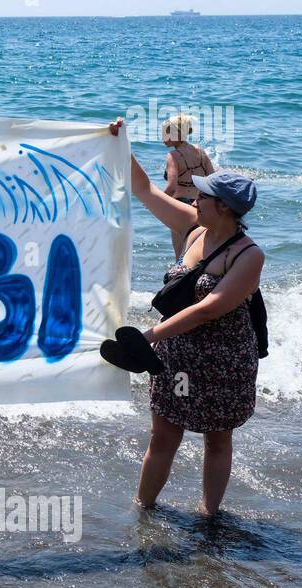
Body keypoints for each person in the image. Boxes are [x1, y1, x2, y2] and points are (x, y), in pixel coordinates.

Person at [110, 117, 264, 517]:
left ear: (226, 209)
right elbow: (142, 189)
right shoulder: (192, 228)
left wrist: (147, 336)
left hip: (223, 360)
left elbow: (208, 309)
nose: (194, 198)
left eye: (204, 196)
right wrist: (118, 143)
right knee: (162, 437)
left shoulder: (248, 255)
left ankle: (210, 516)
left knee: (217, 440)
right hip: (176, 355)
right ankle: (143, 511)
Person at [159, 113, 216, 258]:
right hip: (200, 206)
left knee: (180, 254)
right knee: (198, 252)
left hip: (180, 206)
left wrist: (156, 200)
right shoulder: (200, 152)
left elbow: (172, 187)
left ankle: (178, 280)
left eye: (166, 132)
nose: (162, 137)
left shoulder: (173, 156)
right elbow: (212, 180)